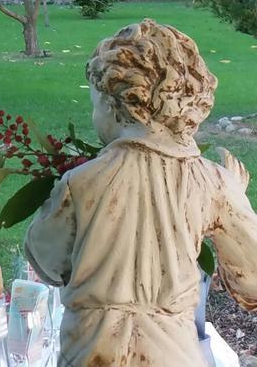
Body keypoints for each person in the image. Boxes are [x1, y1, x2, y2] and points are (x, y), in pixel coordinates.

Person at [24, 19, 257, 367]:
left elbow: (45, 261)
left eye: (95, 105)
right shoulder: (214, 184)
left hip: (91, 350)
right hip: (173, 353)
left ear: (119, 104)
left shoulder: (82, 182)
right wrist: (234, 196)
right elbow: (251, 280)